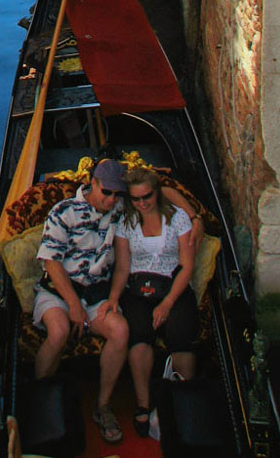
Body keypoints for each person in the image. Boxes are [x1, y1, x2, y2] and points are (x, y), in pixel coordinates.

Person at [33, 158, 129, 444]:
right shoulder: (64, 211)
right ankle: (41, 400)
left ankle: (102, 406)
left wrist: (195, 219)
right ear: (93, 184)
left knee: (121, 331)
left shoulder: (120, 212)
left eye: (117, 194)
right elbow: (51, 263)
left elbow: (157, 191)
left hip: (97, 294)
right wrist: (73, 305)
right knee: (60, 331)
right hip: (59, 292)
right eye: (106, 192)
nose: (111, 200)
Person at [101, 167, 199, 438]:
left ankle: (183, 401)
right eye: (136, 199)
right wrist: (113, 298)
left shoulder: (178, 219)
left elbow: (187, 266)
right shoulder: (126, 224)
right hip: (137, 288)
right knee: (139, 336)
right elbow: (122, 268)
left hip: (173, 284)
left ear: (156, 192)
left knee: (180, 334)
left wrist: (167, 303)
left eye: (147, 196)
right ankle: (143, 403)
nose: (143, 203)